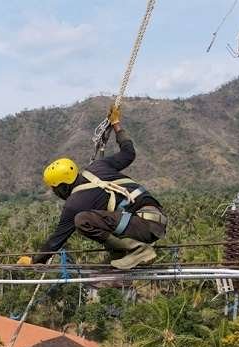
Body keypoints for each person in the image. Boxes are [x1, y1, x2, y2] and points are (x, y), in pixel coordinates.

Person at [18, 106, 167, 269]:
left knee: (82, 220)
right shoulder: (98, 166)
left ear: (61, 187)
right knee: (102, 218)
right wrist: (116, 124)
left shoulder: (74, 203)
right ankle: (123, 251)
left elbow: (57, 240)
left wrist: (34, 261)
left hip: (144, 225)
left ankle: (138, 250)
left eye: (55, 190)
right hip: (156, 218)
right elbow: (128, 153)